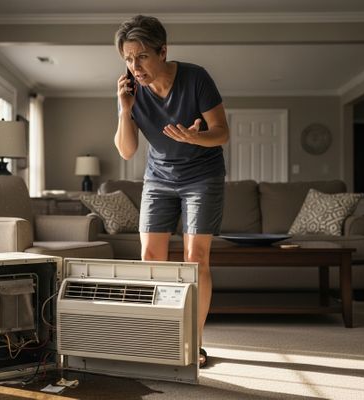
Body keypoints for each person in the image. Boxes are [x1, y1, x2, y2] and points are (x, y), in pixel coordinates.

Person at [114, 15, 229, 368]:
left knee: (196, 260)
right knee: (151, 259)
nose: (136, 67)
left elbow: (222, 132)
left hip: (202, 175)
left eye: (142, 57)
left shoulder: (196, 78)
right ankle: (163, 336)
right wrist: (124, 110)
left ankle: (193, 342)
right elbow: (127, 150)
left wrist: (196, 137)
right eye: (129, 59)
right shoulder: (131, 90)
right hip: (158, 178)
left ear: (163, 51)